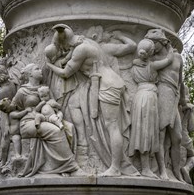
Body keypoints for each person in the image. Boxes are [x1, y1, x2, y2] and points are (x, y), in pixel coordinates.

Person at [47, 24, 139, 177]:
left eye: (59, 45)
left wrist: (49, 65)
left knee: (112, 126)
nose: (60, 49)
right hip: (108, 82)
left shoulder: (80, 49)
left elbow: (65, 73)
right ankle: (89, 152)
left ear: (64, 42)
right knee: (77, 105)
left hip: (107, 85)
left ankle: (116, 167)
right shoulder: (86, 42)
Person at [11, 63, 84, 177]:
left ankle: (60, 167)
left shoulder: (45, 88)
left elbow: (54, 106)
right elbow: (11, 111)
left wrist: (59, 115)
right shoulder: (22, 91)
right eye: (37, 69)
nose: (40, 71)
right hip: (30, 122)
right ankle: (72, 167)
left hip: (49, 118)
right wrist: (24, 112)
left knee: (69, 127)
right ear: (30, 74)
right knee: (55, 131)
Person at [128, 38, 174, 178]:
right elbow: (169, 60)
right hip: (149, 98)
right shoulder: (152, 66)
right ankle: (146, 168)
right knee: (146, 133)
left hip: (138, 97)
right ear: (150, 53)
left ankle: (142, 165)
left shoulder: (134, 67)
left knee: (141, 131)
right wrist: (170, 46)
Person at [145, 28, 185, 181]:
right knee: (160, 135)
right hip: (161, 93)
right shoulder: (152, 60)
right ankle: (162, 170)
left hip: (173, 97)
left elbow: (180, 82)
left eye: (154, 43)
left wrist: (183, 100)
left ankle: (176, 171)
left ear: (162, 42)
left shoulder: (177, 57)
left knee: (177, 138)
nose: (152, 46)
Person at [179, 85, 194, 184]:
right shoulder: (190, 107)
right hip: (184, 135)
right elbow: (191, 127)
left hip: (172, 135)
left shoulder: (175, 103)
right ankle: (186, 168)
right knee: (192, 155)